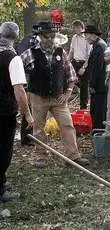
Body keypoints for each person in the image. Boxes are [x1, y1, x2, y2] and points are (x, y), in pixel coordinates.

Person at [20, 21, 89, 168]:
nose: (50, 40)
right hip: (38, 97)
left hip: (58, 98)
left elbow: (71, 76)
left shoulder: (61, 52)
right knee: (38, 128)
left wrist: (68, 92)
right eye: (47, 37)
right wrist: (25, 93)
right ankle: (41, 156)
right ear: (40, 37)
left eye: (52, 37)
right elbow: (19, 77)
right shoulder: (29, 54)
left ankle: (73, 156)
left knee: (67, 125)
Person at [0, 22, 34, 201]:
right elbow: (19, 90)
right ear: (16, 36)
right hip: (4, 111)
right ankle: (1, 192)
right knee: (3, 151)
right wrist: (27, 113)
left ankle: (2, 181)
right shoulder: (12, 58)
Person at [83, 25, 107, 129]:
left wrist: (93, 84)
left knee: (98, 110)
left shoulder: (99, 47)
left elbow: (98, 68)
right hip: (99, 84)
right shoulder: (97, 45)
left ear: (93, 35)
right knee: (95, 109)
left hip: (100, 85)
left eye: (86, 35)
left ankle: (99, 130)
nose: (85, 38)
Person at [68, 20, 91, 109]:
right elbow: (71, 50)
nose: (76, 29)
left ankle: (83, 106)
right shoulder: (74, 37)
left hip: (84, 62)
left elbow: (89, 54)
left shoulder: (86, 38)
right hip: (75, 61)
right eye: (75, 28)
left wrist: (84, 67)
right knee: (70, 79)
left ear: (82, 27)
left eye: (78, 27)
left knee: (84, 85)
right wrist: (67, 62)